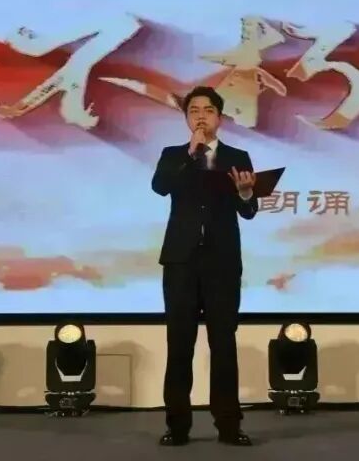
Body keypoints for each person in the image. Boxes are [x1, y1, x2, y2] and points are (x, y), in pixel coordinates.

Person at [151, 86, 258, 447]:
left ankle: (229, 425)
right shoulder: (173, 155)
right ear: (186, 118)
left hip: (221, 263)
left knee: (223, 344)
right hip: (180, 261)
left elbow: (248, 210)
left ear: (219, 117)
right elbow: (160, 186)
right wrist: (190, 153)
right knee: (179, 344)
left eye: (208, 110)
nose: (201, 116)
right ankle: (177, 425)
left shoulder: (236, 156)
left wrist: (246, 194)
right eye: (194, 111)